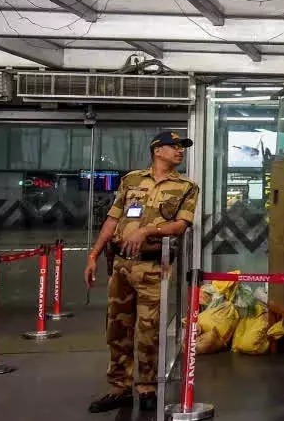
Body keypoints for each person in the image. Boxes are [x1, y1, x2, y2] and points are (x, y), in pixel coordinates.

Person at [84, 131, 199, 413]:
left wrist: (147, 230)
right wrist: (93, 255)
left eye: (182, 147)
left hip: (152, 268)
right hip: (121, 266)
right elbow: (112, 220)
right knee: (117, 329)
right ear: (157, 150)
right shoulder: (131, 180)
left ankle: (147, 387)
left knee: (149, 331)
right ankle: (119, 388)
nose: (180, 151)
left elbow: (180, 226)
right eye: (174, 146)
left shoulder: (187, 187)